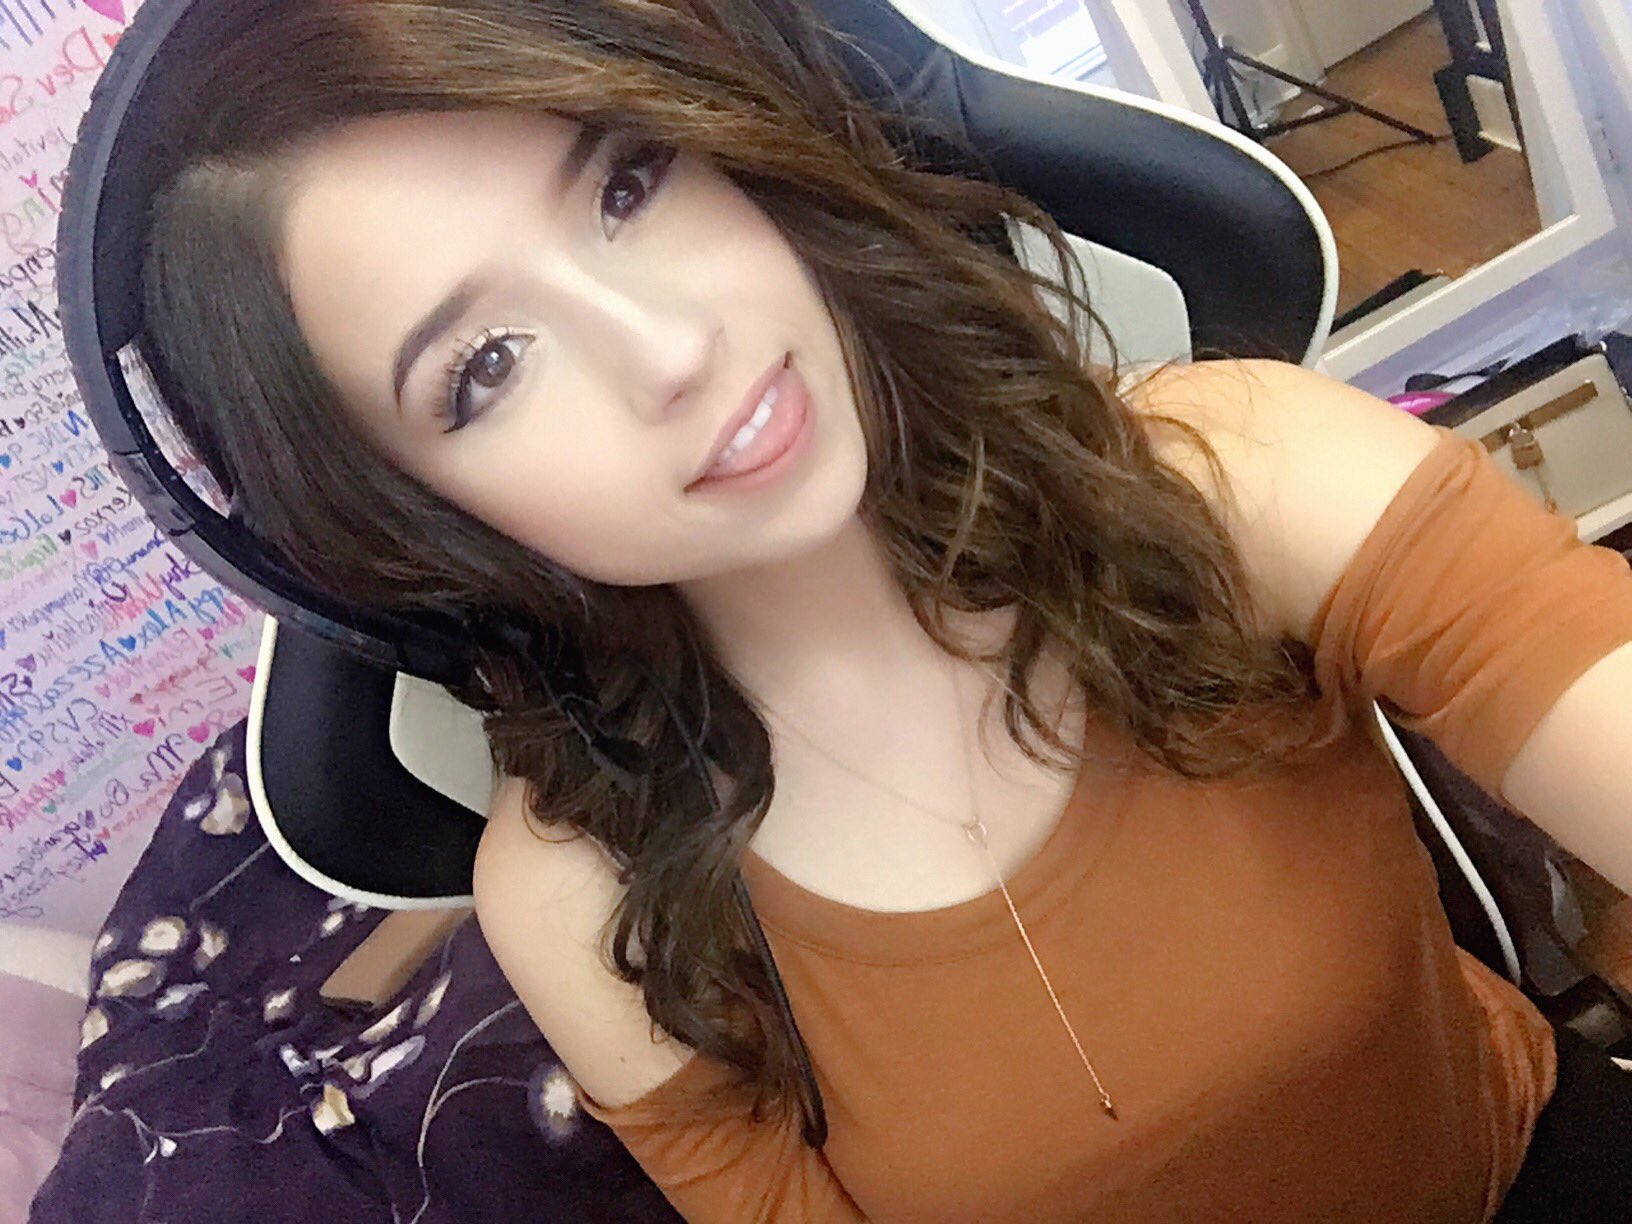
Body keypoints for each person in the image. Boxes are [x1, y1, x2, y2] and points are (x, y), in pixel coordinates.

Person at [130, 0, 1632, 1219]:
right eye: (484, 369)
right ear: (415, 519)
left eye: (628, 181)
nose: (669, 348)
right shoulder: (580, 899)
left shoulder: (1237, 478)